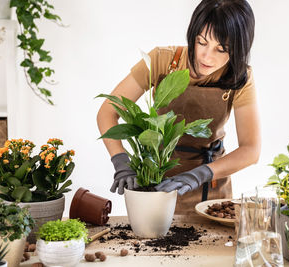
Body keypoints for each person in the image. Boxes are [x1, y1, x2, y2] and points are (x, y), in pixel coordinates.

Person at [97, 0, 261, 215]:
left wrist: (199, 174)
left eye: (221, 49)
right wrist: (121, 162)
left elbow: (251, 150)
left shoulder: (240, 77)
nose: (207, 56)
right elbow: (108, 111)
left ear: (239, 49)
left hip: (211, 188)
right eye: (202, 42)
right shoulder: (162, 60)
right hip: (157, 183)